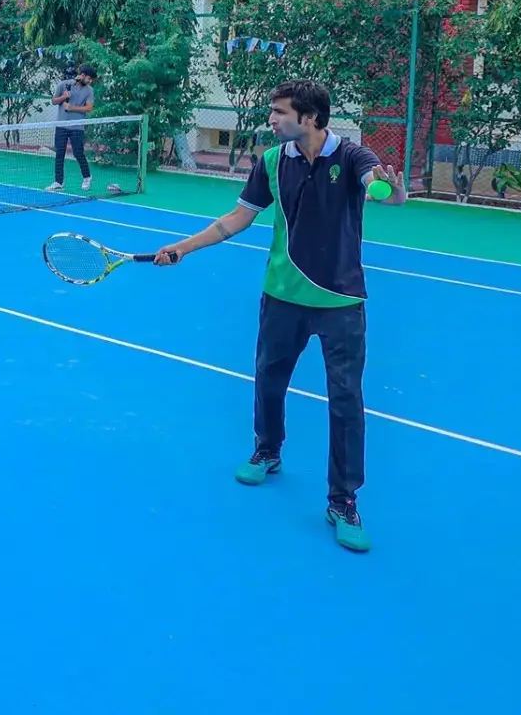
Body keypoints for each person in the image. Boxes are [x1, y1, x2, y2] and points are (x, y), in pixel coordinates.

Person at [153, 78, 405, 554]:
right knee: (268, 379)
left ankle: (343, 500)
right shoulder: (271, 163)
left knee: (346, 400)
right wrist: (184, 247)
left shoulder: (352, 157)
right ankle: (267, 450)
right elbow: (236, 218)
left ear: (309, 118)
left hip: (340, 302)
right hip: (282, 296)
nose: (271, 120)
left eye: (279, 112)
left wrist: (391, 191)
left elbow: (382, 188)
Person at [46, 65, 97, 193]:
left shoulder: (89, 90)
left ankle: (87, 177)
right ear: (83, 75)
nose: (90, 81)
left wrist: (72, 108)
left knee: (78, 153)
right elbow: (54, 101)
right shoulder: (63, 85)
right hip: (61, 126)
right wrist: (63, 97)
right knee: (59, 154)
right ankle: (59, 182)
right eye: (89, 78)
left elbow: (89, 108)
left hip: (77, 126)